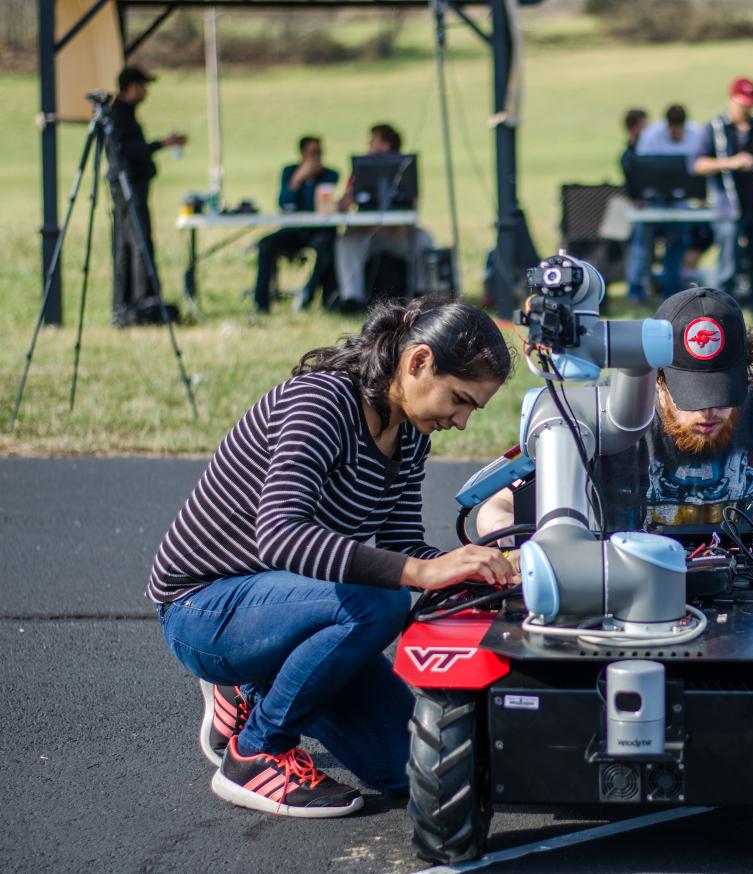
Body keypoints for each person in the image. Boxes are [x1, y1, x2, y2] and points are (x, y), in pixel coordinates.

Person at [149, 297, 516, 818]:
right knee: (377, 603)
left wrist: (479, 569)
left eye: (471, 408)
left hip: (287, 606)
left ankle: (256, 683)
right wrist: (420, 573)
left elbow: (399, 543)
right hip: (202, 608)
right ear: (417, 362)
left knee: (414, 770)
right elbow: (280, 535)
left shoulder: (410, 435)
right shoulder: (321, 402)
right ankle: (255, 751)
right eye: (460, 399)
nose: (460, 420)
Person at [477, 287, 753, 542]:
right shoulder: (597, 411)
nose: (708, 411)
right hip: (617, 587)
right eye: (691, 397)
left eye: (724, 395)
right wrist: (514, 539)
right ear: (656, 377)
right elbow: (498, 507)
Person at [694, 78, 753, 340]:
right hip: (728, 209)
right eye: (742, 104)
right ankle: (720, 320)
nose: (747, 110)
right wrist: (731, 162)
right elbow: (697, 164)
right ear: (731, 99)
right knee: (727, 268)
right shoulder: (714, 128)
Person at [108, 66, 186, 325]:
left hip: (133, 186)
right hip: (128, 188)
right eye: (143, 86)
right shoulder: (119, 114)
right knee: (139, 243)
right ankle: (141, 304)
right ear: (132, 87)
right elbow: (129, 151)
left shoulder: (123, 113)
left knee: (131, 243)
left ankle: (134, 302)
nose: (146, 92)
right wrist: (162, 144)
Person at [334, 124, 436, 309]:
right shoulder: (359, 170)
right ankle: (351, 298)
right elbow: (344, 204)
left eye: (373, 141)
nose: (369, 145)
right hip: (367, 233)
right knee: (346, 242)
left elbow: (414, 202)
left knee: (423, 239)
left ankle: (422, 293)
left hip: (398, 233)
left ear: (386, 144)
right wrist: (348, 197)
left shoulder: (405, 167)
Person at [252, 136, 340, 313]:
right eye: (313, 153)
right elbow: (284, 204)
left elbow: (323, 206)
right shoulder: (290, 172)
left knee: (327, 246)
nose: (317, 157)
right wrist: (298, 180)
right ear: (302, 154)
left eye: (320, 152)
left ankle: (307, 294)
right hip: (295, 230)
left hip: (320, 231)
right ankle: (261, 303)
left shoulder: (329, 174)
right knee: (266, 244)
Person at [632, 104, 704, 300]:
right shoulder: (651, 137)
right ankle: (636, 291)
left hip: (682, 201)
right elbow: (640, 168)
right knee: (642, 245)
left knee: (677, 245)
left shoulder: (697, 134)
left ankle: (671, 291)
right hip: (652, 201)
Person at [620, 108, 650, 303]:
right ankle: (635, 290)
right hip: (637, 208)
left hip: (651, 206)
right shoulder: (629, 155)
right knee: (639, 245)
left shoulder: (646, 150)